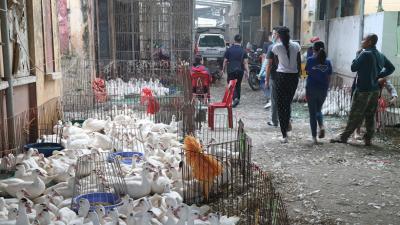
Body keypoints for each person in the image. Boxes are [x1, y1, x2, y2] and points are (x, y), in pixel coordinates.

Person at [331, 34, 395, 146]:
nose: (361, 41)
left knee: (355, 114)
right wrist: (379, 75)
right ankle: (368, 139)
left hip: (363, 90)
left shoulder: (364, 54)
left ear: (369, 42)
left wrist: (357, 54)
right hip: (374, 90)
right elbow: (391, 68)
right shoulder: (380, 55)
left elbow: (353, 67)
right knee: (370, 115)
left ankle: (344, 137)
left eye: (364, 39)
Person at [266, 26, 301, 143]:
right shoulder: (296, 45)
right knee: (287, 102)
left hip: (281, 77)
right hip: (293, 77)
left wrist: (282, 67)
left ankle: (284, 135)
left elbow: (275, 62)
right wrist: (297, 74)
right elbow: (299, 61)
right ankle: (287, 124)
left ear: (279, 36)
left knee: (280, 105)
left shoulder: (277, 47)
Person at [305, 41, 332, 144]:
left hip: (311, 88)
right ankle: (321, 126)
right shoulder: (328, 62)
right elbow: (329, 77)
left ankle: (314, 138)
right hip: (323, 89)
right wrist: (326, 88)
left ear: (313, 49)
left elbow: (307, 71)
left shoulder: (310, 60)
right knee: (318, 110)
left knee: (312, 113)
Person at [222, 34, 250, 107]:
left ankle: (235, 98)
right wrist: (247, 72)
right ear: (241, 41)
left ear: (234, 40)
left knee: (230, 84)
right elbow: (245, 62)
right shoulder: (243, 50)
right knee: (238, 84)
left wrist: (223, 69)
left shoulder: (229, 49)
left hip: (231, 69)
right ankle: (238, 99)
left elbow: (225, 61)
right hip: (240, 70)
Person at [264, 27, 280, 127]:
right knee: (285, 99)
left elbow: (268, 65)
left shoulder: (272, 47)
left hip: (275, 76)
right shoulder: (290, 46)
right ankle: (287, 119)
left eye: (274, 34)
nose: (272, 35)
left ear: (277, 35)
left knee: (274, 99)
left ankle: (274, 121)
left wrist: (266, 79)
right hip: (286, 77)